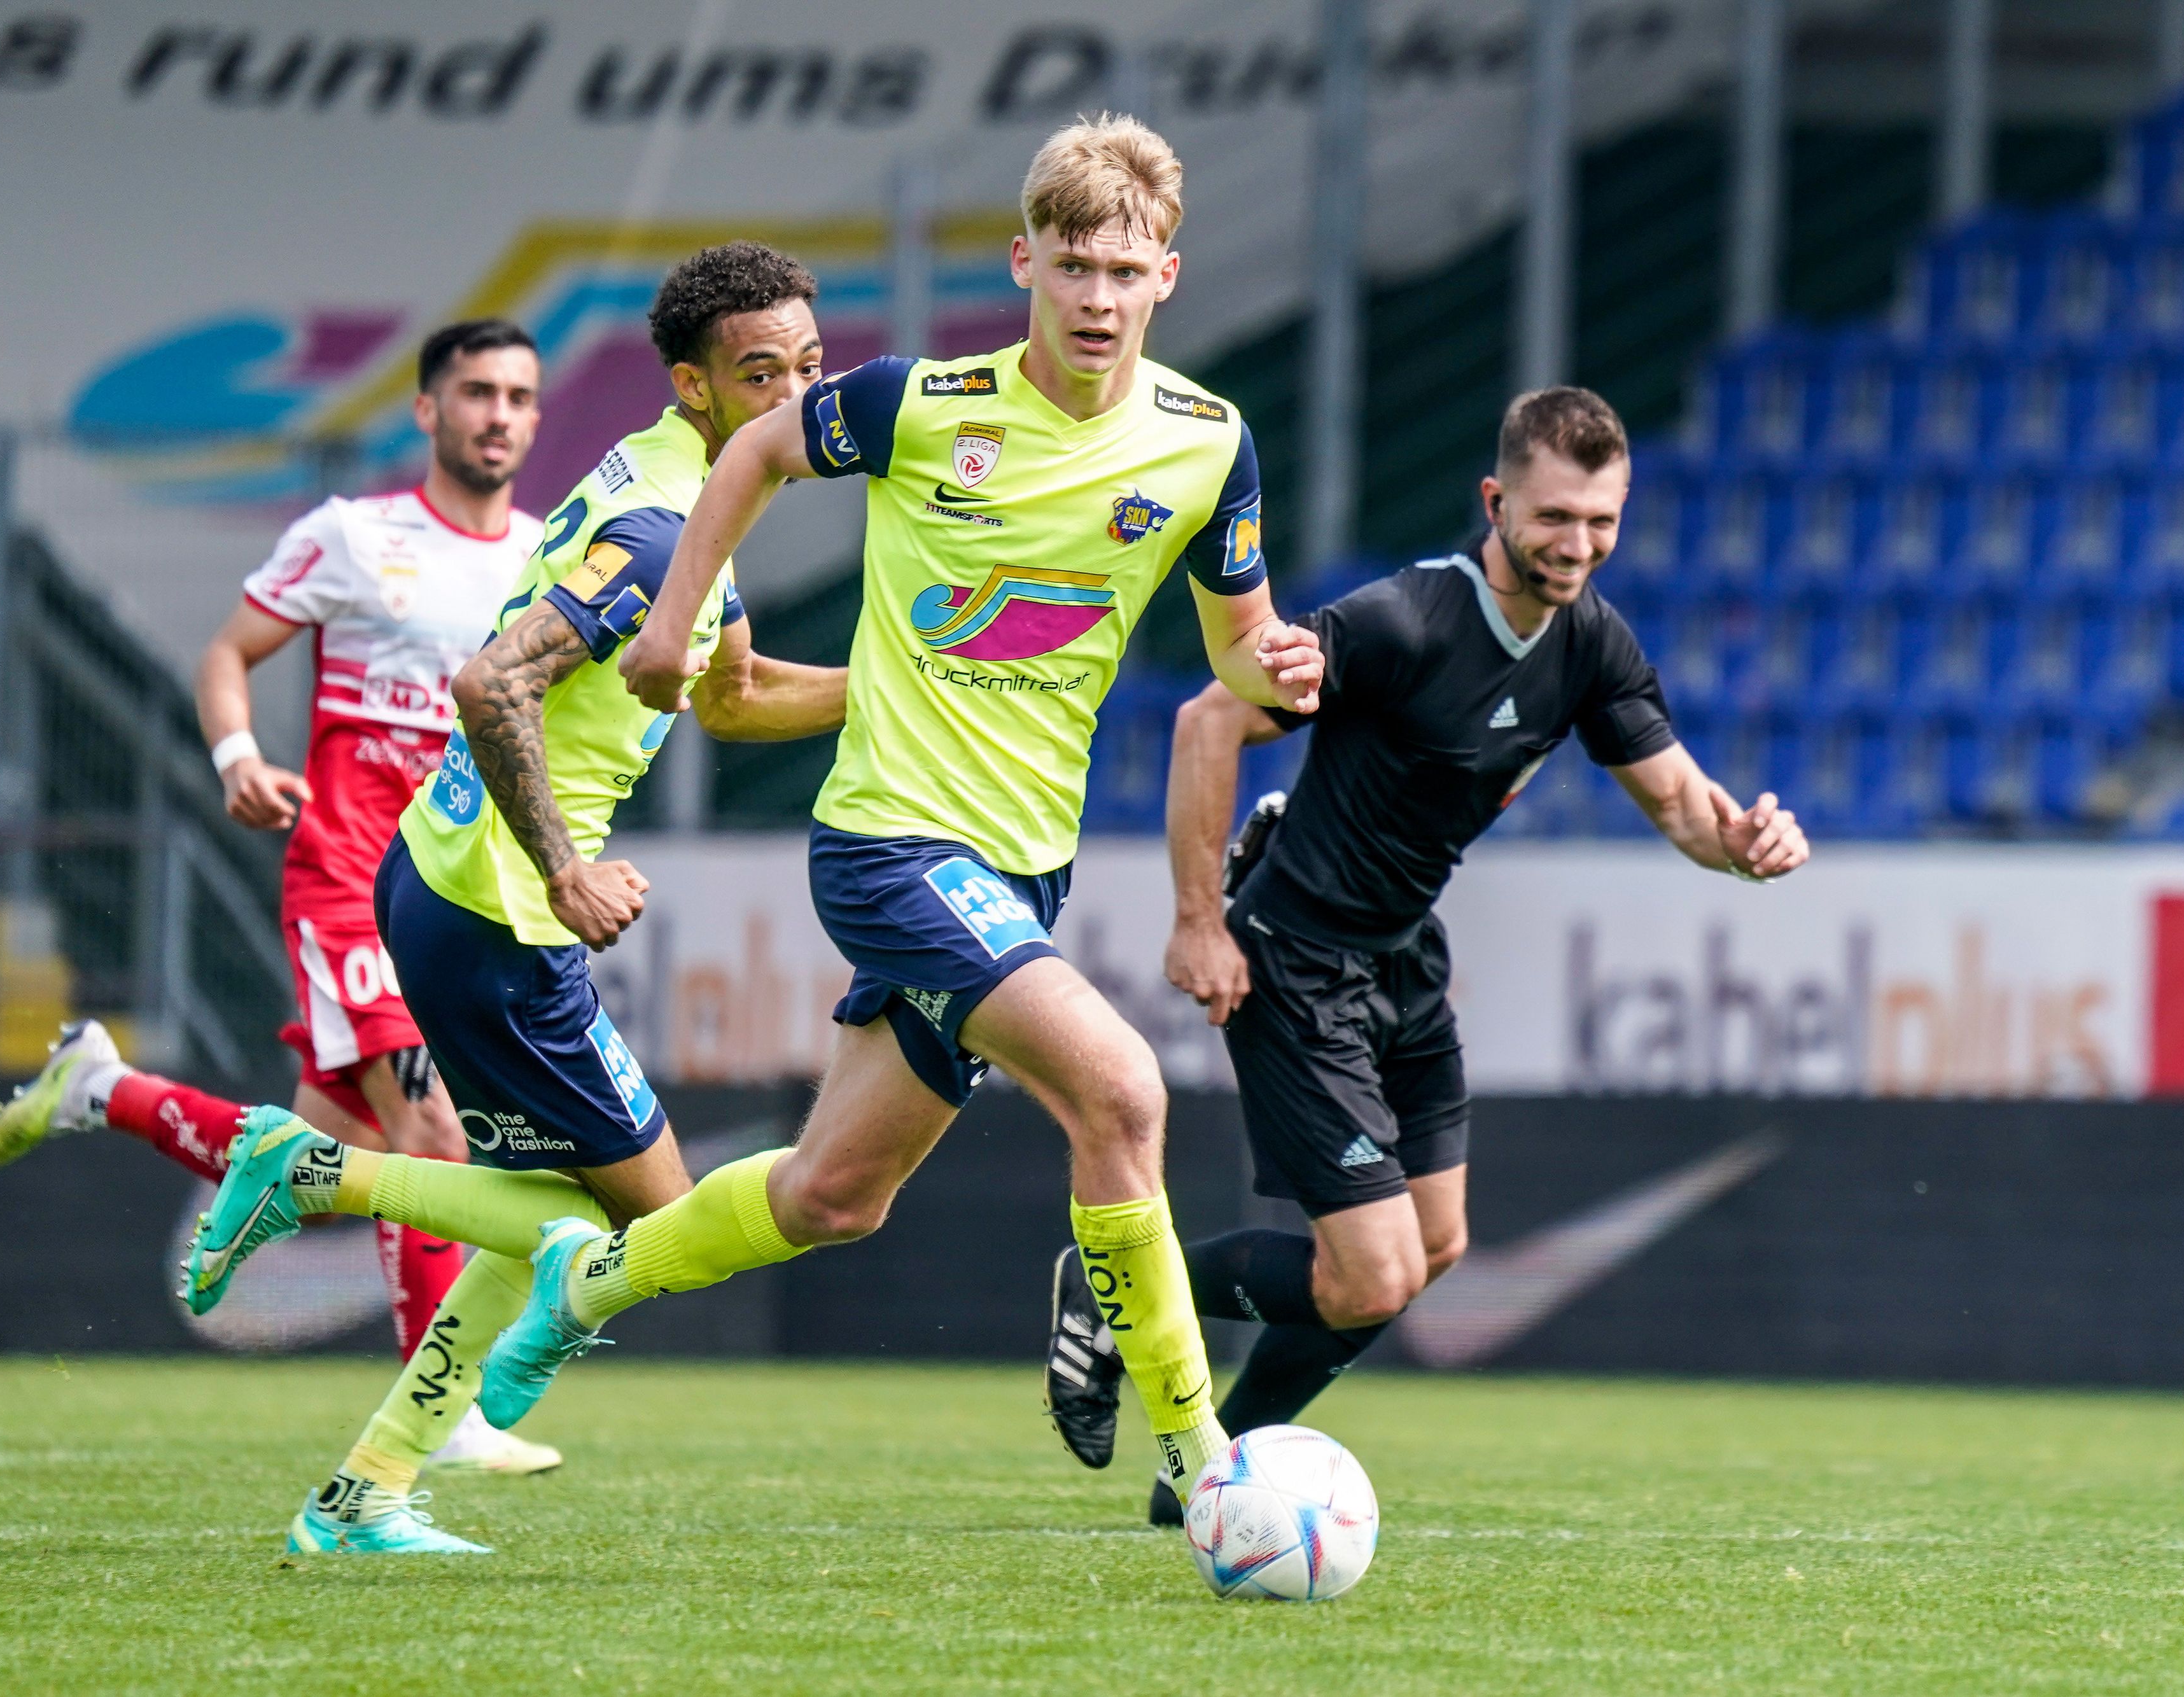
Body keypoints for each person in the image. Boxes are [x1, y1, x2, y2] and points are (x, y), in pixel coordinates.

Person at [191, 113, 1325, 1518]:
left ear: (1167, 275)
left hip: (1006, 858)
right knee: (1121, 1089)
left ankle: (426, 1419)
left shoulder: (1207, 441)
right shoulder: (904, 413)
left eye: (1126, 269)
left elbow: (1235, 648)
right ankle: (1203, 1464)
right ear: (1025, 261)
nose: (1096, 296)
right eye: (1074, 265)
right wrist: (614, 758)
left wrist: (1281, 665)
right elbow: (718, 501)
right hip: (862, 851)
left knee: (827, 1198)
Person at [178, 241, 848, 1553]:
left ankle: (363, 1491)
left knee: (545, 1216)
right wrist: (565, 866)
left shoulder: (692, 495)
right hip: (498, 913)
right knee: (655, 1219)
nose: (794, 397)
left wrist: (908, 678)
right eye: (759, 373)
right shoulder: (664, 527)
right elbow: (493, 683)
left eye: (810, 368)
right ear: (693, 386)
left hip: (449, 886)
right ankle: (308, 1165)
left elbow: (732, 692)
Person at [1051, 385, 1812, 1523]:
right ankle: (1113, 1299)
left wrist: (1748, 842)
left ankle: (1213, 1479)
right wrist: (1198, 919)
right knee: (1374, 1274)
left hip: (1403, 961)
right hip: (1296, 959)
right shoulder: (1403, 621)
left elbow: (1686, 810)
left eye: (1602, 522)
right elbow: (1210, 718)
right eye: (1555, 518)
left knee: (1437, 1246)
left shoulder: (1593, 642)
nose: (1579, 546)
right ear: (1496, 501)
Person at [0, 318, 556, 1475]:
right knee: (434, 1133)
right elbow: (226, 654)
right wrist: (237, 759)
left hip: (457, 896)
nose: (501, 415)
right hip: (350, 876)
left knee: (317, 1161)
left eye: (521, 397)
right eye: (479, 392)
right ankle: (438, 1414)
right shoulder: (354, 537)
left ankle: (104, 1085)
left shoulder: (548, 557)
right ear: (427, 410)